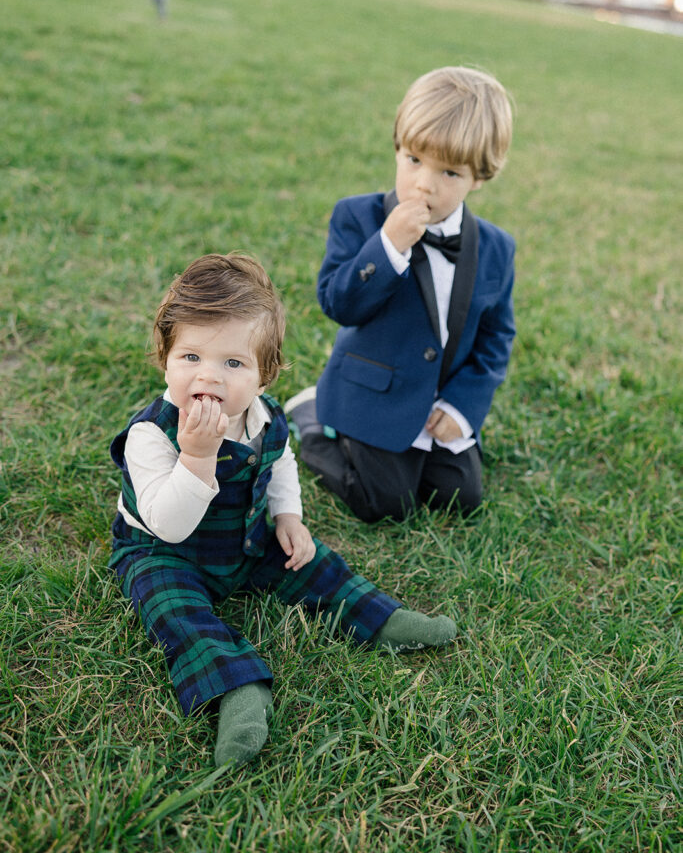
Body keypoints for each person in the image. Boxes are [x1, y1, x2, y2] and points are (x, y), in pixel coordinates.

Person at [109, 252, 458, 769]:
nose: (210, 377)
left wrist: (289, 517)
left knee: (309, 560)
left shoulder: (264, 415)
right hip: (164, 551)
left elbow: (282, 462)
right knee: (172, 608)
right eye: (191, 358)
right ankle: (238, 688)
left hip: (244, 537)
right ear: (165, 356)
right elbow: (170, 524)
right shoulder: (150, 435)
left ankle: (380, 618)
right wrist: (197, 456)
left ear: (264, 375)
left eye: (233, 363)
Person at [286, 66, 515, 523]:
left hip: (435, 401)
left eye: (449, 171)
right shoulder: (357, 218)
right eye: (414, 160)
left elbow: (496, 339)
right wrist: (387, 247)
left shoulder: (495, 248)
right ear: (397, 147)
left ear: (480, 177)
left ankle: (431, 436)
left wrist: (461, 407)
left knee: (460, 497)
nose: (424, 184)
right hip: (373, 393)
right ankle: (312, 418)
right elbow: (338, 303)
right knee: (385, 503)